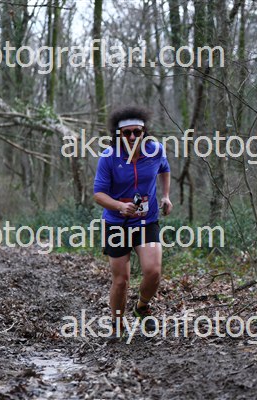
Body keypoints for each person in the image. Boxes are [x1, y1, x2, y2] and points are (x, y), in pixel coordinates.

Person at [93, 105, 172, 337]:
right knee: (121, 281)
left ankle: (142, 307)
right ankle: (117, 323)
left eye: (137, 132)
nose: (132, 137)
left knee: (153, 271)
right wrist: (120, 206)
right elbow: (98, 194)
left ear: (144, 132)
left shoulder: (155, 150)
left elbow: (165, 168)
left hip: (146, 220)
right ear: (118, 134)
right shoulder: (109, 157)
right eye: (126, 133)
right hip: (116, 224)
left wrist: (166, 195)